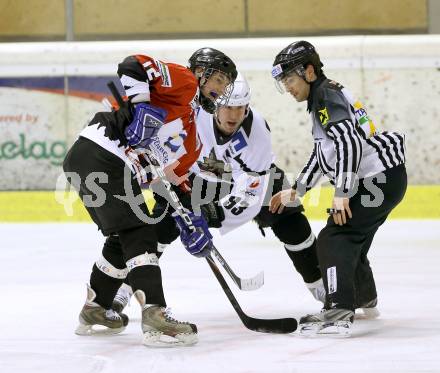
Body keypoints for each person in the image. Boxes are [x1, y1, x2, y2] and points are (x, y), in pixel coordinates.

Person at [63, 47, 237, 347]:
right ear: (200, 72)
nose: (221, 89)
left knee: (124, 237)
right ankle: (155, 315)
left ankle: (96, 308)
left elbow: (170, 179)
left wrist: (191, 218)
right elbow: (134, 64)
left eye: (226, 84)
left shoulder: (192, 137)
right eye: (218, 79)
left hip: (101, 163)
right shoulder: (184, 81)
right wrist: (142, 104)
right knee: (140, 231)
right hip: (102, 151)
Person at [112, 73, 326, 315]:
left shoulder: (257, 133)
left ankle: (324, 288)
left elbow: (251, 191)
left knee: (291, 220)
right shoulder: (195, 111)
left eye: (239, 108)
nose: (233, 115)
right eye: (227, 107)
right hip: (196, 173)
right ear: (214, 105)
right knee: (159, 226)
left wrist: (212, 213)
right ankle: (125, 289)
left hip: (248, 178)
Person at [269, 40, 407, 336]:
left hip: (376, 179)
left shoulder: (325, 96)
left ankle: (339, 310)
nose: (288, 87)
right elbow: (326, 151)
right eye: (284, 82)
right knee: (352, 239)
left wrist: (342, 192)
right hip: (387, 177)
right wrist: (298, 189)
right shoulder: (326, 93)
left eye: (290, 79)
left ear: (308, 71)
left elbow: (348, 143)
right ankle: (363, 297)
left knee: (335, 237)